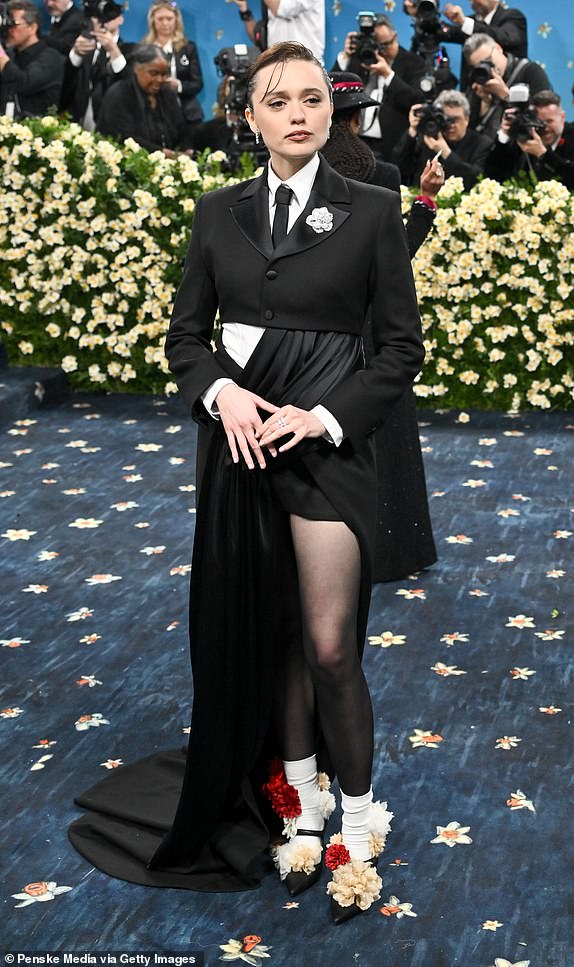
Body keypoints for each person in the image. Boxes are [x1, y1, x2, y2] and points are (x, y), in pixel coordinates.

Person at [69, 41, 424, 924]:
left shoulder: (375, 210)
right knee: (271, 640)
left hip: (328, 452)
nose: (299, 112)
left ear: (331, 113)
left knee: (331, 643)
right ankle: (299, 806)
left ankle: (359, 813)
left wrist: (326, 416)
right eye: (279, 100)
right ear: (252, 116)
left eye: (313, 98)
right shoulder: (215, 213)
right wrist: (221, 393)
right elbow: (185, 338)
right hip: (239, 451)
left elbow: (400, 350)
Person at [321, 71, 440, 582]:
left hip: (317, 333)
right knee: (386, 441)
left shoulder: (294, 174)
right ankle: (394, 552)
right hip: (373, 332)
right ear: (360, 117)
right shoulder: (385, 175)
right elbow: (399, 259)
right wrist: (427, 201)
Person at [332, 13, 426, 160]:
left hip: (392, 146)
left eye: (384, 45)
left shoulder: (413, 62)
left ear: (395, 36)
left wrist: (388, 74)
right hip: (356, 140)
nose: (380, 51)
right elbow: (333, 88)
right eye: (376, 45)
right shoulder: (361, 58)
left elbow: (416, 99)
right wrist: (346, 57)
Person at [96, 44, 192, 155]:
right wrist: (162, 153)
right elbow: (125, 139)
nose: (160, 79)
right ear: (136, 68)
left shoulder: (167, 93)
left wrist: (186, 150)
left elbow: (182, 131)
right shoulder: (119, 94)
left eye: (164, 74)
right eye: (154, 73)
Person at [393, 89, 491, 190]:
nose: (450, 125)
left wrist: (446, 153)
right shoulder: (429, 139)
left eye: (455, 120)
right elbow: (400, 168)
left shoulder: (482, 143)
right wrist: (413, 130)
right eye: (446, 119)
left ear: (467, 119)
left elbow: (476, 180)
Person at [464, 33, 550, 142]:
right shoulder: (479, 81)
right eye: (479, 66)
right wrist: (484, 103)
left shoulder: (530, 71)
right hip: (490, 151)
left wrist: (505, 95)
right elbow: (469, 130)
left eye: (488, 59)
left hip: (520, 148)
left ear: (499, 48)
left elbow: (542, 117)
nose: (487, 67)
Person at [60, 1, 133, 128]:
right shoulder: (84, 48)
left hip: (112, 125)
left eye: (107, 15)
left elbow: (129, 89)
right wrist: (76, 55)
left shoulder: (130, 51)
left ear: (120, 19)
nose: (101, 21)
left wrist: (114, 51)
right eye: (95, 15)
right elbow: (66, 86)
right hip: (78, 123)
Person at [485, 90, 574, 190]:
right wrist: (504, 136)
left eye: (549, 121)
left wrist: (543, 154)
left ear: (562, 117)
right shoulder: (525, 134)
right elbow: (493, 176)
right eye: (539, 122)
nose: (544, 128)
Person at [142, 0, 203, 125]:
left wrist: (178, 86)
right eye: (160, 19)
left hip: (186, 113)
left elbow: (197, 83)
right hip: (154, 114)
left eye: (169, 19)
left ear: (176, 20)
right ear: (153, 20)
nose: (165, 23)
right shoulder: (144, 48)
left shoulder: (188, 47)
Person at [0, 0, 64, 118]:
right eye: (6, 24)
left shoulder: (51, 57)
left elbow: (23, 83)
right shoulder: (11, 55)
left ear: (32, 28)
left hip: (36, 132)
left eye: (13, 24)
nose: (8, 30)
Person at [231, 0, 325, 63]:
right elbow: (259, 38)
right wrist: (244, 10)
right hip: (277, 66)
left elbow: (280, 8)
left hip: (305, 65)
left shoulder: (276, 4)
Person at [442, 0, 527, 60]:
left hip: (507, 83)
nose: (472, 1)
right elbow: (448, 33)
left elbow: (505, 37)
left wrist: (465, 23)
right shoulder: (470, 22)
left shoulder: (513, 16)